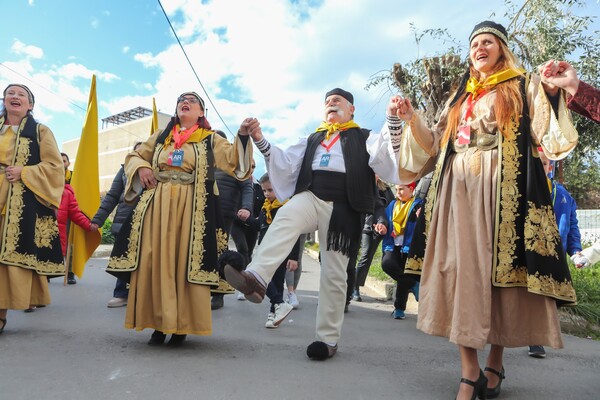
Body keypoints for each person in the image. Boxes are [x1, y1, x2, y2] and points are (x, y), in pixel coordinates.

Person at [388, 21, 578, 400]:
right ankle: (469, 370)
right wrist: (412, 119)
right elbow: (434, 147)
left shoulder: (521, 84)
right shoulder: (460, 96)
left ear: (502, 49)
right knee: (459, 272)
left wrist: (554, 89)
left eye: (487, 42)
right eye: (474, 43)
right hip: (456, 192)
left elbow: (546, 126)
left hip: (500, 190)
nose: (479, 48)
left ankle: (495, 361)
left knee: (498, 276)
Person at [222, 88, 400, 360]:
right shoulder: (312, 138)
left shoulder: (364, 136)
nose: (331, 104)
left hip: (344, 208)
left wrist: (392, 119)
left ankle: (327, 340)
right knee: (286, 215)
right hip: (311, 196)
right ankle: (256, 279)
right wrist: (259, 139)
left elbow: (384, 156)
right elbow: (285, 163)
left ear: (352, 109)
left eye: (338, 101)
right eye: (328, 101)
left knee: (334, 274)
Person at [106, 91, 253, 346]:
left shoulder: (209, 139)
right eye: (181, 101)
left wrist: (242, 135)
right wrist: (142, 167)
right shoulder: (162, 137)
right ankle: (159, 324)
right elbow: (135, 156)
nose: (185, 102)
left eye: (192, 101)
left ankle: (181, 325)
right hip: (158, 206)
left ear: (201, 113)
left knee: (184, 262)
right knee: (157, 261)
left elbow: (236, 164)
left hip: (192, 208)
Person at [0, 84, 65, 334]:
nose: (15, 97)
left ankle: (1, 313)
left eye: (21, 95)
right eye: (10, 93)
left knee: (6, 257)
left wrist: (25, 171)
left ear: (30, 105)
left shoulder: (40, 131)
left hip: (20, 199)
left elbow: (54, 166)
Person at [528, 151, 589, 358]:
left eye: (545, 163)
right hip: (532, 254)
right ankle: (534, 340)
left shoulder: (563, 196)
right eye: (538, 163)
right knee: (534, 298)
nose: (542, 167)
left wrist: (576, 251)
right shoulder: (526, 191)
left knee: (549, 299)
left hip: (556, 256)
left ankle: (539, 337)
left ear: (550, 167)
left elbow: (572, 227)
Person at [91, 142, 142, 308]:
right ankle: (121, 294)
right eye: (137, 151)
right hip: (124, 221)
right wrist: (97, 220)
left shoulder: (155, 170)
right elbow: (112, 196)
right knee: (123, 258)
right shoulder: (124, 170)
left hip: (148, 221)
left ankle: (145, 296)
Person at [246, 173, 298, 328]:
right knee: (268, 280)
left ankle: (277, 308)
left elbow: (294, 233)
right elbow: (259, 226)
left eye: (270, 190)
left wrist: (294, 257)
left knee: (269, 280)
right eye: (264, 191)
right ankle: (277, 309)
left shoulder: (286, 207)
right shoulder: (265, 207)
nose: (267, 194)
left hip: (281, 252)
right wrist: (245, 220)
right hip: (265, 249)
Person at [212, 131, 254, 309]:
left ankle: (218, 294)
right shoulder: (201, 161)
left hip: (224, 213)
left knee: (219, 251)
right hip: (201, 212)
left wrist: (246, 207)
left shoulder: (234, 162)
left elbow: (247, 187)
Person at [378, 182, 423, 320]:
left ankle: (399, 309)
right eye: (396, 189)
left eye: (401, 189)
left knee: (404, 273)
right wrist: (381, 225)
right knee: (387, 264)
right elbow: (385, 219)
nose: (398, 192)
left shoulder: (418, 204)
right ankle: (414, 284)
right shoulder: (392, 205)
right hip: (392, 245)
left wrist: (421, 215)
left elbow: (426, 220)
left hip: (410, 246)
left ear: (411, 189)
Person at [351, 177, 394, 302]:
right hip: (362, 224)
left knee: (367, 256)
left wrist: (383, 223)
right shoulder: (361, 184)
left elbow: (388, 207)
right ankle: (352, 286)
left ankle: (355, 286)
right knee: (359, 255)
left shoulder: (385, 188)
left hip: (378, 228)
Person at [58, 153, 98, 285]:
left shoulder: (74, 179)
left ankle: (70, 273)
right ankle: (45, 272)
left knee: (71, 244)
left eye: (64, 161)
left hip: (68, 218)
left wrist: (89, 224)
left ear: (68, 163)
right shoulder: (44, 180)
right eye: (59, 160)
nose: (61, 163)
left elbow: (75, 211)